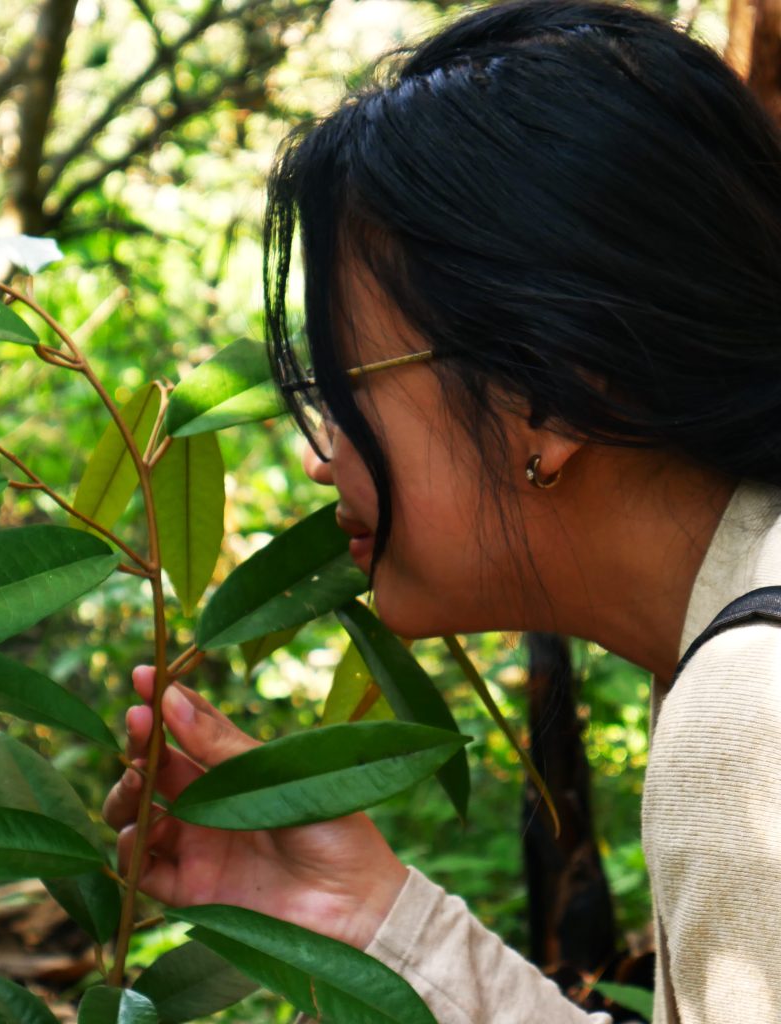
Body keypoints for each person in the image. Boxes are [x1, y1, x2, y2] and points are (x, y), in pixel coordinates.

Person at [103, 1, 781, 1020]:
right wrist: (379, 922)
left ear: (550, 390)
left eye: (343, 386)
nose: (320, 460)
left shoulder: (749, 709)